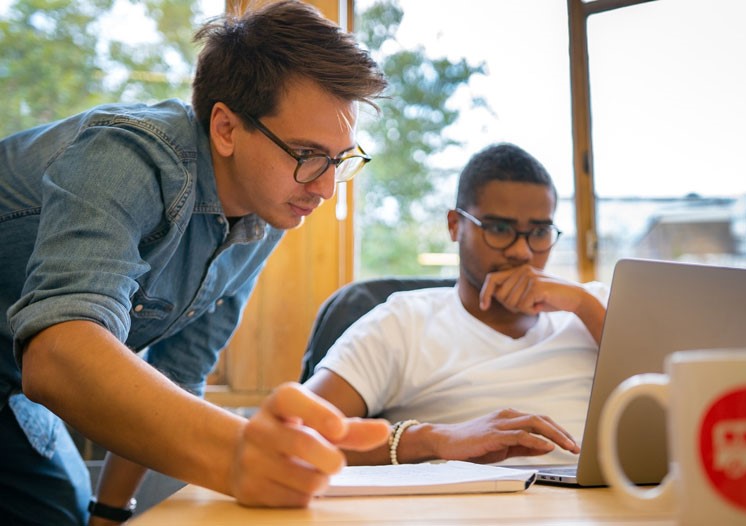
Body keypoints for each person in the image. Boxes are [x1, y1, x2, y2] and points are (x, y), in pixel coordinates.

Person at [0, 2, 391, 524]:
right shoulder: (126, 156)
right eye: (306, 155)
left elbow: (177, 375)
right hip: (29, 371)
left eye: (340, 161)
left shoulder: (265, 214)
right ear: (226, 128)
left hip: (11, 381)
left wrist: (110, 513)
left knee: (68, 514)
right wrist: (235, 451)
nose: (324, 188)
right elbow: (57, 354)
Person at [305, 143, 608, 466]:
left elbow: (665, 403)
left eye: (539, 232)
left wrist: (583, 303)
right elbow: (296, 435)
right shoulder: (401, 323)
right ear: (454, 225)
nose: (522, 252)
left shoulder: (593, 310)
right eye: (499, 229)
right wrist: (436, 439)